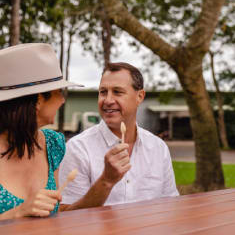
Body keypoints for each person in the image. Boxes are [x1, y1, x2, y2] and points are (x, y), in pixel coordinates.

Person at [59, 62, 179, 210]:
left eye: (117, 92)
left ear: (140, 96)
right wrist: (106, 181)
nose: (108, 100)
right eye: (103, 92)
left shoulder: (158, 148)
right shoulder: (78, 148)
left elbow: (171, 204)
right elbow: (67, 215)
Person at [0, 43, 82, 220]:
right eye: (59, 92)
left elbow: (54, 217)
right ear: (38, 100)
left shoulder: (54, 144)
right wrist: (17, 213)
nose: (62, 100)